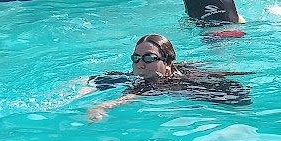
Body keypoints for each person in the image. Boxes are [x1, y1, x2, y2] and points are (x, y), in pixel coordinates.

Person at [85, 34, 252, 122]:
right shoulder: (133, 79)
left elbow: (131, 96)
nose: (140, 64)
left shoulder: (183, 82)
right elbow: (85, 80)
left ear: (167, 63)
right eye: (135, 58)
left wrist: (101, 107)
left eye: (149, 58)